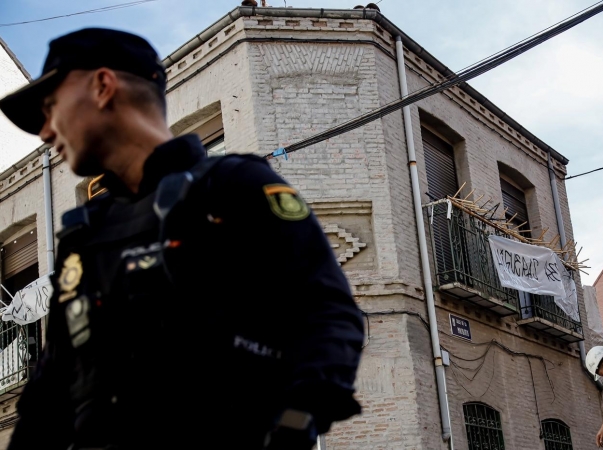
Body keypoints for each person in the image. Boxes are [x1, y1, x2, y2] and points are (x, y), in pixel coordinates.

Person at [0, 28, 364, 450]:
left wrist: (292, 427)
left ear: (102, 86)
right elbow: (50, 392)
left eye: (50, 106)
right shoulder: (84, 236)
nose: (44, 132)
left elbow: (327, 315)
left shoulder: (234, 187)